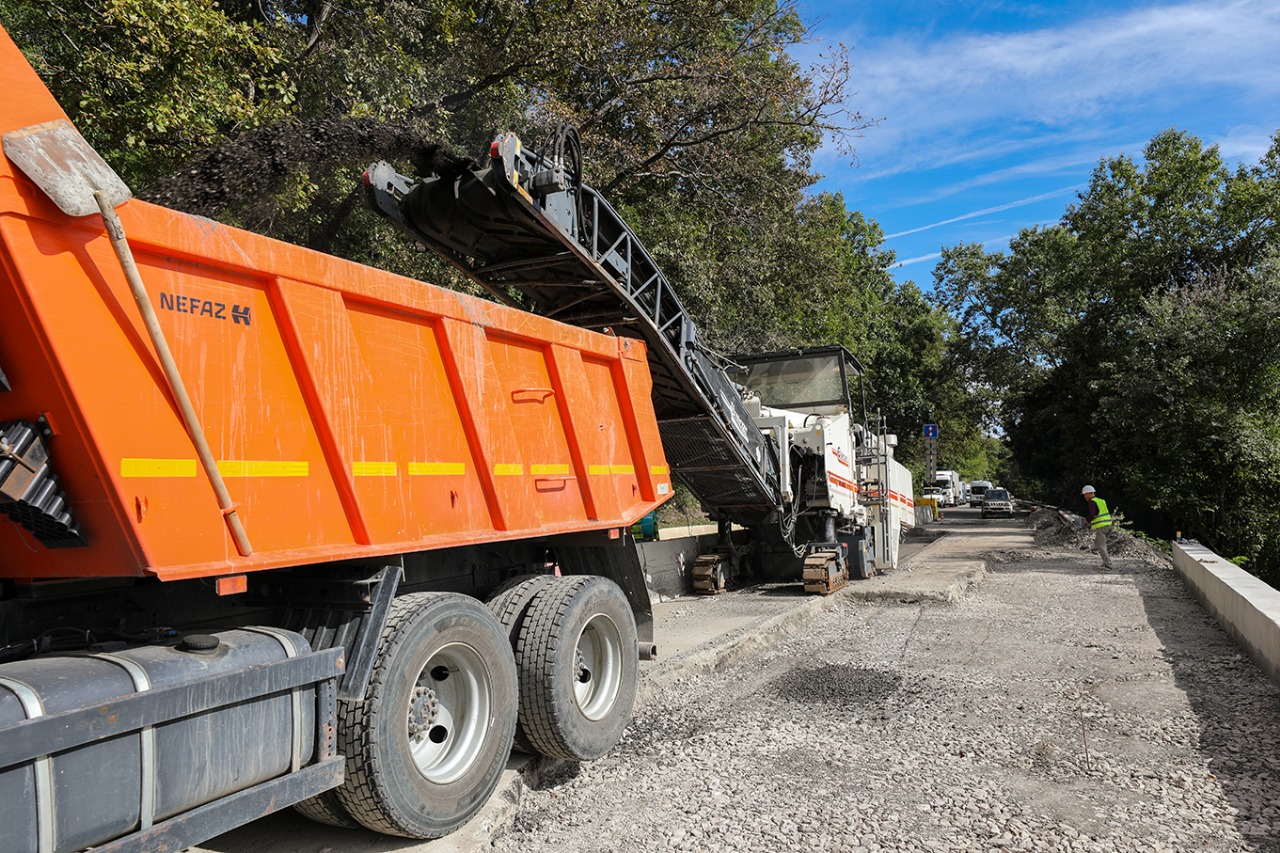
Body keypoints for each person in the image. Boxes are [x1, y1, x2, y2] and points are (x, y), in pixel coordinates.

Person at [1081, 485, 1113, 571]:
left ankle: (1107, 565)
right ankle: (1105, 562)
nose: (1084, 496)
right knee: (1101, 544)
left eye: (1085, 494)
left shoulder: (1092, 502)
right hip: (1108, 525)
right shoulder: (1101, 501)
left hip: (1101, 526)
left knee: (1101, 546)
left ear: (1089, 493)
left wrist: (1087, 520)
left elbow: (1092, 514)